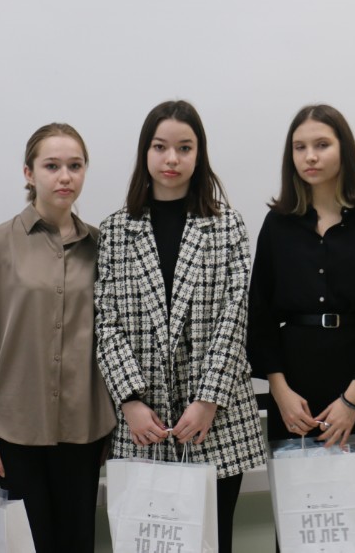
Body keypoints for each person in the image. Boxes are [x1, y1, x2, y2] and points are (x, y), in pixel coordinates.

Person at [95, 100, 267, 553]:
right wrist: (130, 401)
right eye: (160, 147)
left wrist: (208, 400)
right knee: (148, 544)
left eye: (184, 148)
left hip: (216, 420)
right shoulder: (116, 230)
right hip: (143, 423)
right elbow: (105, 321)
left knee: (213, 542)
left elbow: (236, 317)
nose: (171, 159)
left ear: (199, 154)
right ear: (145, 152)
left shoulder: (226, 225)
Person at [0, 123, 116, 553]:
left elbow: (114, 339)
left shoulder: (103, 247)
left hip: (83, 431)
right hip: (13, 432)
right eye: (52, 166)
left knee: (77, 544)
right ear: (29, 173)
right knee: (25, 546)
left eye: (75, 166)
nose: (65, 177)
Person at [247, 104, 355, 552]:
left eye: (321, 145)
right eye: (299, 147)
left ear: (343, 150)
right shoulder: (278, 225)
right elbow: (259, 313)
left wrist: (353, 400)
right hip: (294, 393)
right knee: (305, 523)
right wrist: (278, 390)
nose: (310, 156)